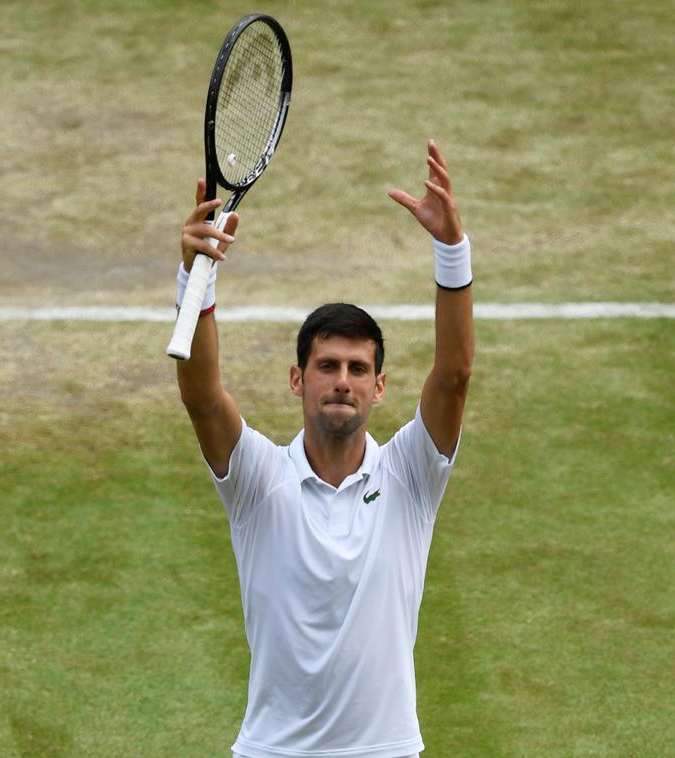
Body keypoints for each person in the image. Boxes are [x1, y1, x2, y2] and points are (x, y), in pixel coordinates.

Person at [175, 140, 473, 758]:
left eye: (359, 368)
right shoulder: (257, 477)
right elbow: (203, 397)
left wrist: (451, 252)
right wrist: (194, 274)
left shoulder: (411, 474)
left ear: (380, 386)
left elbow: (454, 374)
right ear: (297, 379)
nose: (343, 380)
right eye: (328, 365)